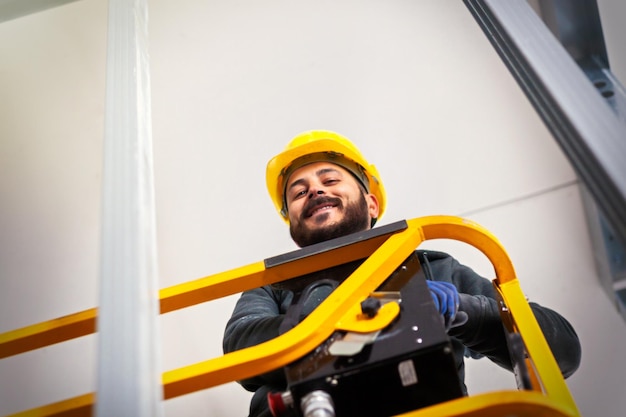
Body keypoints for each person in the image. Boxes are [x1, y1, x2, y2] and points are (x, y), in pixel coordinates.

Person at [223, 130, 581, 417]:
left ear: (372, 203)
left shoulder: (428, 268)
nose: (315, 190)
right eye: (299, 192)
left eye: (330, 179)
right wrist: (329, 314)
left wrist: (465, 311)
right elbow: (240, 354)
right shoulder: (275, 287)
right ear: (294, 227)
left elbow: (562, 352)